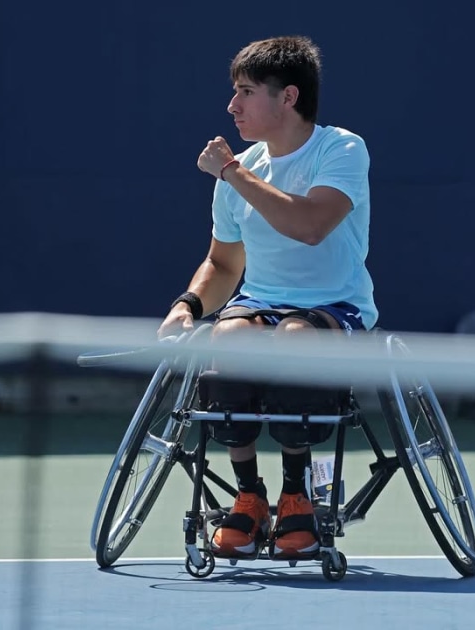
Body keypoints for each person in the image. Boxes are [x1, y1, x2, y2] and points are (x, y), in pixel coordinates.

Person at [157, 35, 377, 560]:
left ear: (288, 98)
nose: (232, 106)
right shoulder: (240, 170)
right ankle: (249, 497)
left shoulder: (342, 149)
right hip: (258, 306)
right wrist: (185, 305)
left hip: (334, 307)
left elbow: (310, 226)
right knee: (230, 336)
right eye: (234, 92)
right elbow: (224, 264)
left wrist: (233, 172)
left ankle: (298, 493)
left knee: (295, 337)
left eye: (246, 92)